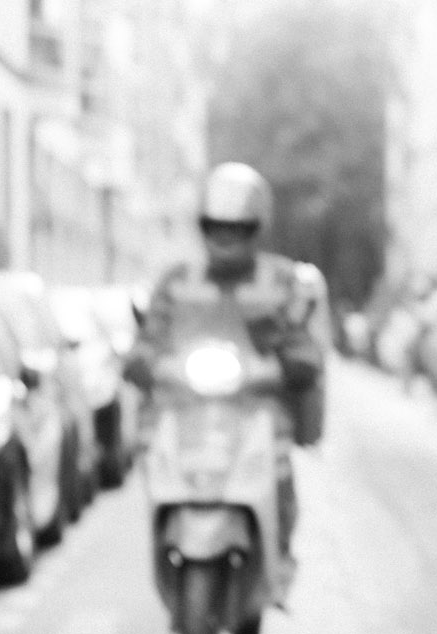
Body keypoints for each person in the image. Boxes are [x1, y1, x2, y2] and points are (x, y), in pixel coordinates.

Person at [126, 162, 326, 555]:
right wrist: (144, 361)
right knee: (154, 462)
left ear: (256, 228)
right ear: (203, 227)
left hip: (259, 413)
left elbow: (304, 344)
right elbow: (150, 337)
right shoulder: (177, 279)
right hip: (186, 413)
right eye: (217, 227)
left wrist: (291, 358)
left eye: (237, 228)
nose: (226, 237)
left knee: (279, 466)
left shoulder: (281, 279)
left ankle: (278, 549)